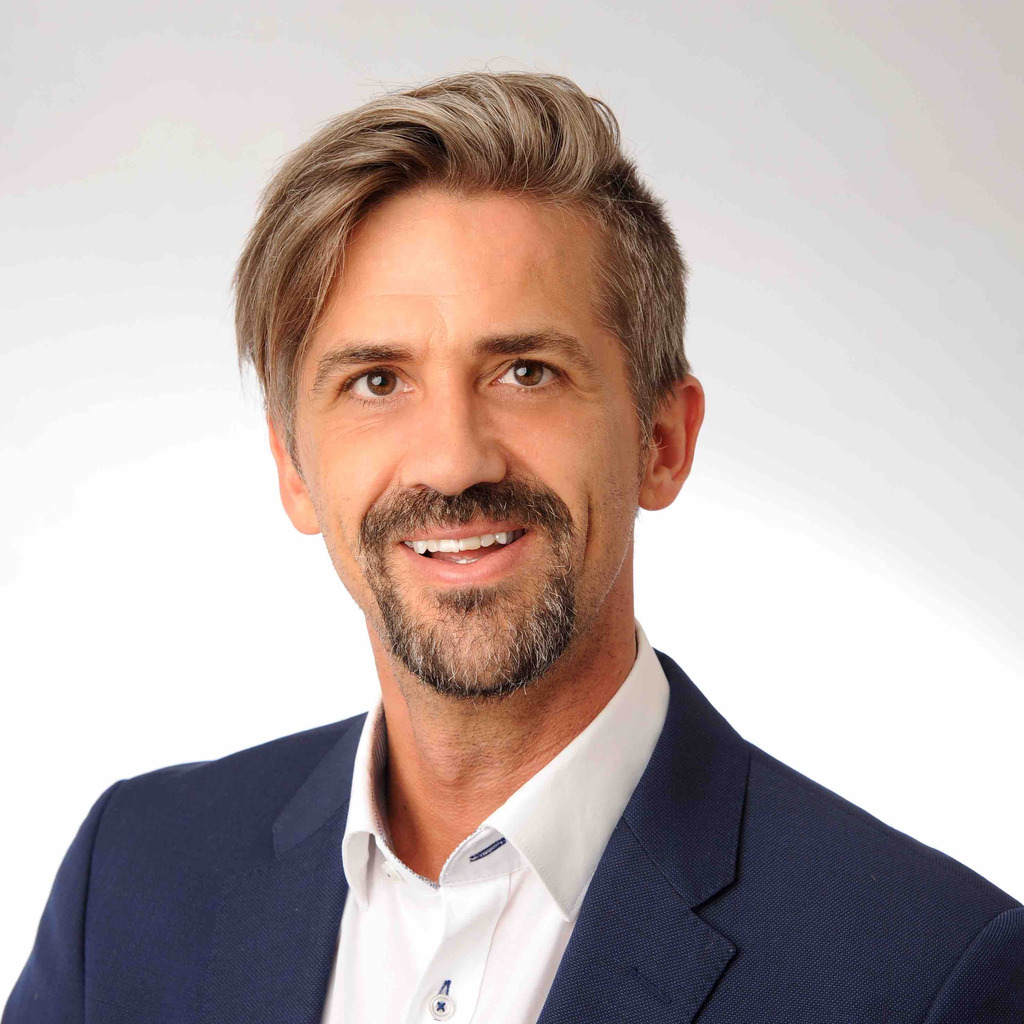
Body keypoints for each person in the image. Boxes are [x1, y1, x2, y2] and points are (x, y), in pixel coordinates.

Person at [5, 70, 1021, 1024]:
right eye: (376, 382)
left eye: (526, 371)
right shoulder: (130, 880)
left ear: (662, 441)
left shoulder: (927, 973)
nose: (452, 463)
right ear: (294, 467)